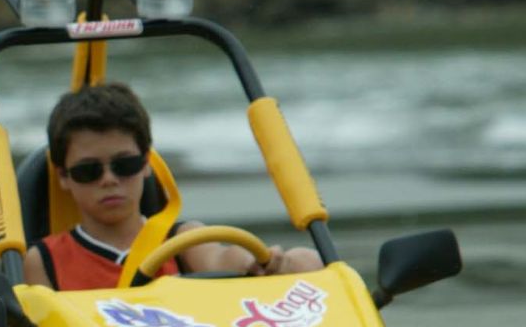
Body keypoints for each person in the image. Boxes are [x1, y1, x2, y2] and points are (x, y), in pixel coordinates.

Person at [23, 81, 321, 290]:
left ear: (146, 163)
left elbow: (221, 258)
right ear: (63, 176)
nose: (109, 179)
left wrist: (261, 264)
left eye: (124, 164)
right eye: (89, 171)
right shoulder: (44, 260)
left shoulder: (182, 242)